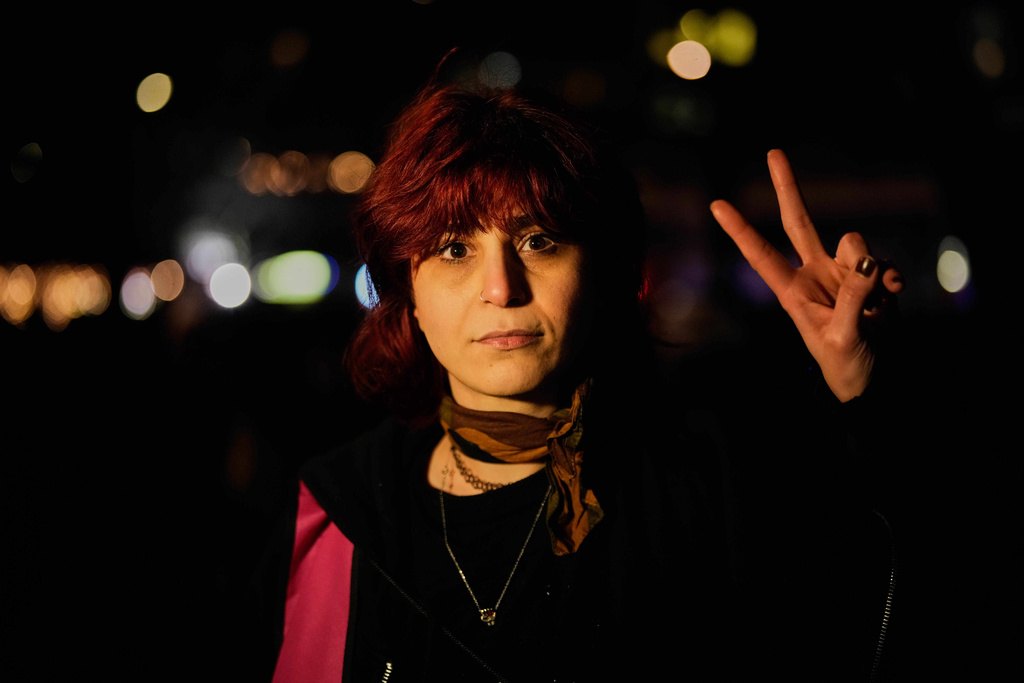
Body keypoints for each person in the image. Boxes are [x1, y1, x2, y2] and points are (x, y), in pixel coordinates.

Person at [264, 74, 904, 682]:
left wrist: (866, 391)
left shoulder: (713, 482)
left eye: (539, 240)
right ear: (408, 295)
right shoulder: (339, 511)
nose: (500, 288)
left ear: (601, 274)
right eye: (455, 249)